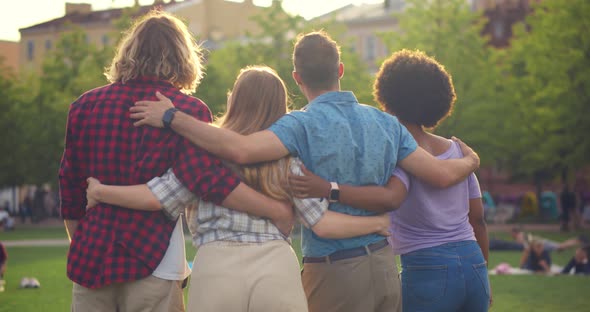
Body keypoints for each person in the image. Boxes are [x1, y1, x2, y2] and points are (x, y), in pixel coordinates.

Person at [129, 31, 480, 312]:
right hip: (384, 268)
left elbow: (240, 149)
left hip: (334, 269)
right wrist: (470, 161)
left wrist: (173, 117)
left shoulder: (299, 125)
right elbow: (442, 175)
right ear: (340, 69)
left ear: (297, 78)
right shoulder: (386, 123)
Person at [86, 65, 396, 312]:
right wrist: (379, 223)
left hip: (216, 268)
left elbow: (156, 197)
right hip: (275, 266)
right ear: (280, 105)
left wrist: (101, 191)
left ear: (234, 98)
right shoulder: (288, 160)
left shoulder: (202, 153)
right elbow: (323, 224)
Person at [58, 11, 293, 312]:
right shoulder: (189, 112)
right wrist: (275, 209)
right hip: (153, 259)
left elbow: (69, 187)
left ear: (128, 51)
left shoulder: (85, 106)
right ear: (183, 57)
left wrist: (83, 241)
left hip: (91, 259)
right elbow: (207, 179)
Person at [291, 49, 491, 311]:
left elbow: (389, 198)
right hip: (473, 261)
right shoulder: (458, 153)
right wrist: (482, 275)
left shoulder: (400, 153)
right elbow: (477, 218)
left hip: (426, 267)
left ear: (388, 95)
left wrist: (329, 189)